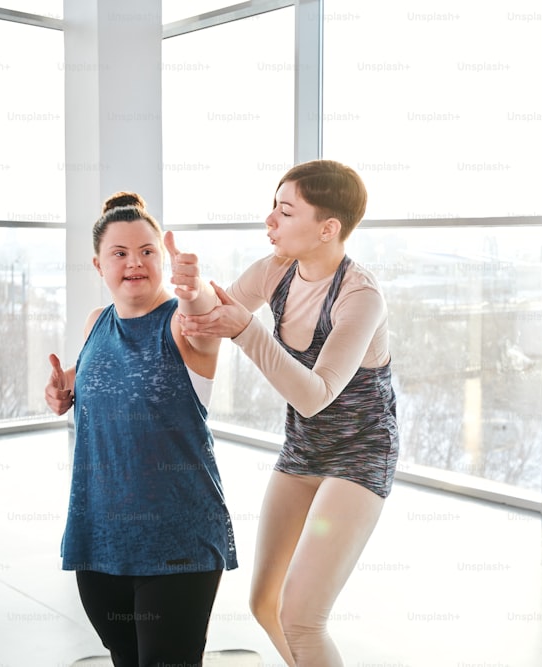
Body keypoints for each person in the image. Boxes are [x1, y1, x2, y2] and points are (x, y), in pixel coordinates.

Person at [177, 159, 398, 667]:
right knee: (265, 604)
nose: (270, 222)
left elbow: (315, 394)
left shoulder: (360, 297)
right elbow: (217, 308)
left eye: (284, 211)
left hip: (360, 458)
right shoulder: (276, 270)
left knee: (301, 616)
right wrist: (190, 287)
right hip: (303, 451)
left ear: (328, 229)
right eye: (273, 208)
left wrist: (245, 331)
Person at [44, 192, 237, 667]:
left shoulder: (183, 324)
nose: (135, 262)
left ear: (163, 258)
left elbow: (205, 313)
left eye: (148, 251)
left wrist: (196, 288)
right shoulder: (96, 323)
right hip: (98, 535)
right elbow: (92, 378)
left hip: (177, 541)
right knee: (124, 658)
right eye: (120, 253)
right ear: (98, 265)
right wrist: (64, 389)